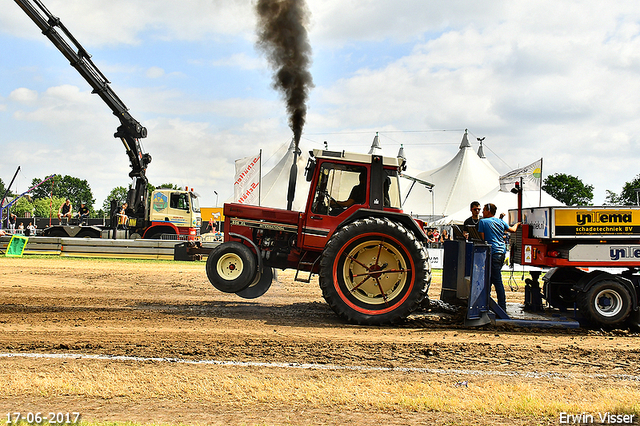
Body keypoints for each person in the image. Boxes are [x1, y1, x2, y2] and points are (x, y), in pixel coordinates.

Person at [478, 203, 520, 311]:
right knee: (492, 279)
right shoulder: (500, 221)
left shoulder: (482, 222)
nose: (482, 212)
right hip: (501, 252)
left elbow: (482, 239)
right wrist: (518, 224)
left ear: (488, 211)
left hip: (492, 252)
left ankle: (501, 307)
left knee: (496, 280)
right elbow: (513, 230)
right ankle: (489, 303)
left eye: (483, 210)